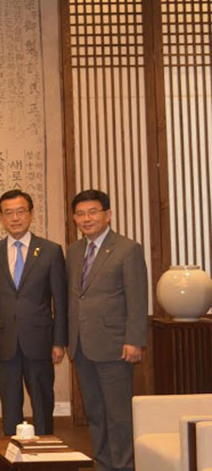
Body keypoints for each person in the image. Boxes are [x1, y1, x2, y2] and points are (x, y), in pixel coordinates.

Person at [67, 189, 147, 471]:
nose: (86, 219)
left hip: (115, 345)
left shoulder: (127, 249)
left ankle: (123, 466)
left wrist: (134, 340)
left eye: (92, 212)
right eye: (80, 213)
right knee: (96, 413)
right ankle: (103, 463)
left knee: (118, 414)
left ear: (108, 214)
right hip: (81, 344)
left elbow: (137, 299)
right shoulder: (74, 250)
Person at [0, 189, 67, 437]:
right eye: (8, 213)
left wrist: (59, 341)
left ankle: (44, 454)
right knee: (9, 402)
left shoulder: (50, 251)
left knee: (42, 401)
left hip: (40, 340)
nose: (15, 218)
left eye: (20, 211)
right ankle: (12, 456)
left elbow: (59, 301)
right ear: (1, 218)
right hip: (4, 340)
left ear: (31, 214)